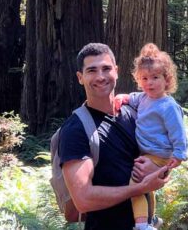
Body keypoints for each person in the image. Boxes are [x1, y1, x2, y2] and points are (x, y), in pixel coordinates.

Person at [59, 43, 170, 230]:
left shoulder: (135, 112)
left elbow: (167, 149)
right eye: (92, 70)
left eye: (106, 68)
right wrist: (139, 188)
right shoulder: (75, 130)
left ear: (116, 71)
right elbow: (83, 199)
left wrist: (160, 166)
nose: (101, 76)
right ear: (80, 77)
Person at [116, 43, 188, 230]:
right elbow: (131, 97)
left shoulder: (168, 106)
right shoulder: (144, 98)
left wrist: (179, 155)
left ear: (167, 79)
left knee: (136, 184)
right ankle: (152, 219)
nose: (149, 83)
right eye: (144, 78)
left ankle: (142, 225)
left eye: (155, 77)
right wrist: (122, 97)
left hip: (159, 155)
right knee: (147, 187)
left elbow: (178, 132)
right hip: (148, 153)